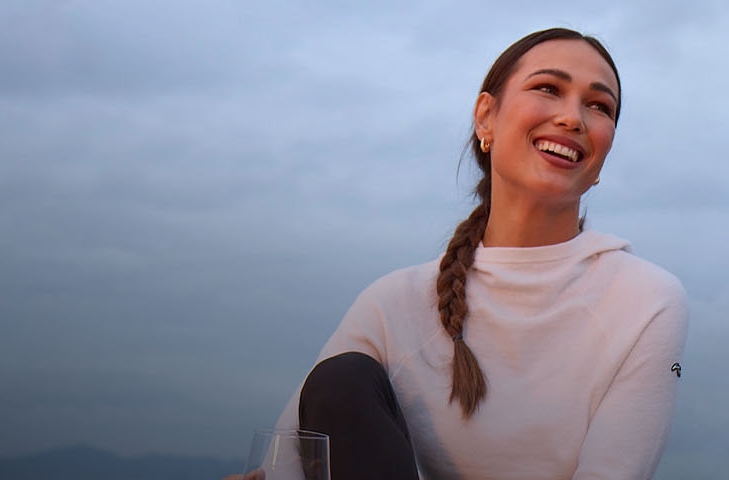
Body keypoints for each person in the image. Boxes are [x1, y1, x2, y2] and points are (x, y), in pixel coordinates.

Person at [242, 28, 687, 480]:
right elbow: (286, 461)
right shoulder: (394, 303)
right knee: (341, 381)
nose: (573, 118)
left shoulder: (646, 300)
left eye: (599, 106)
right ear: (485, 118)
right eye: (548, 88)